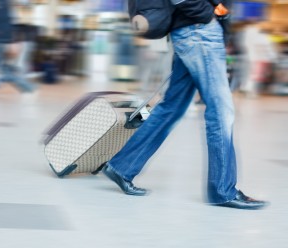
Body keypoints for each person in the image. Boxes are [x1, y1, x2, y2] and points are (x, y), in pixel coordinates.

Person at [102, 0, 268, 210]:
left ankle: (122, 166)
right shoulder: (200, 19)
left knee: (172, 107)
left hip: (194, 31)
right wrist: (205, 15)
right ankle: (223, 190)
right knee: (221, 110)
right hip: (199, 32)